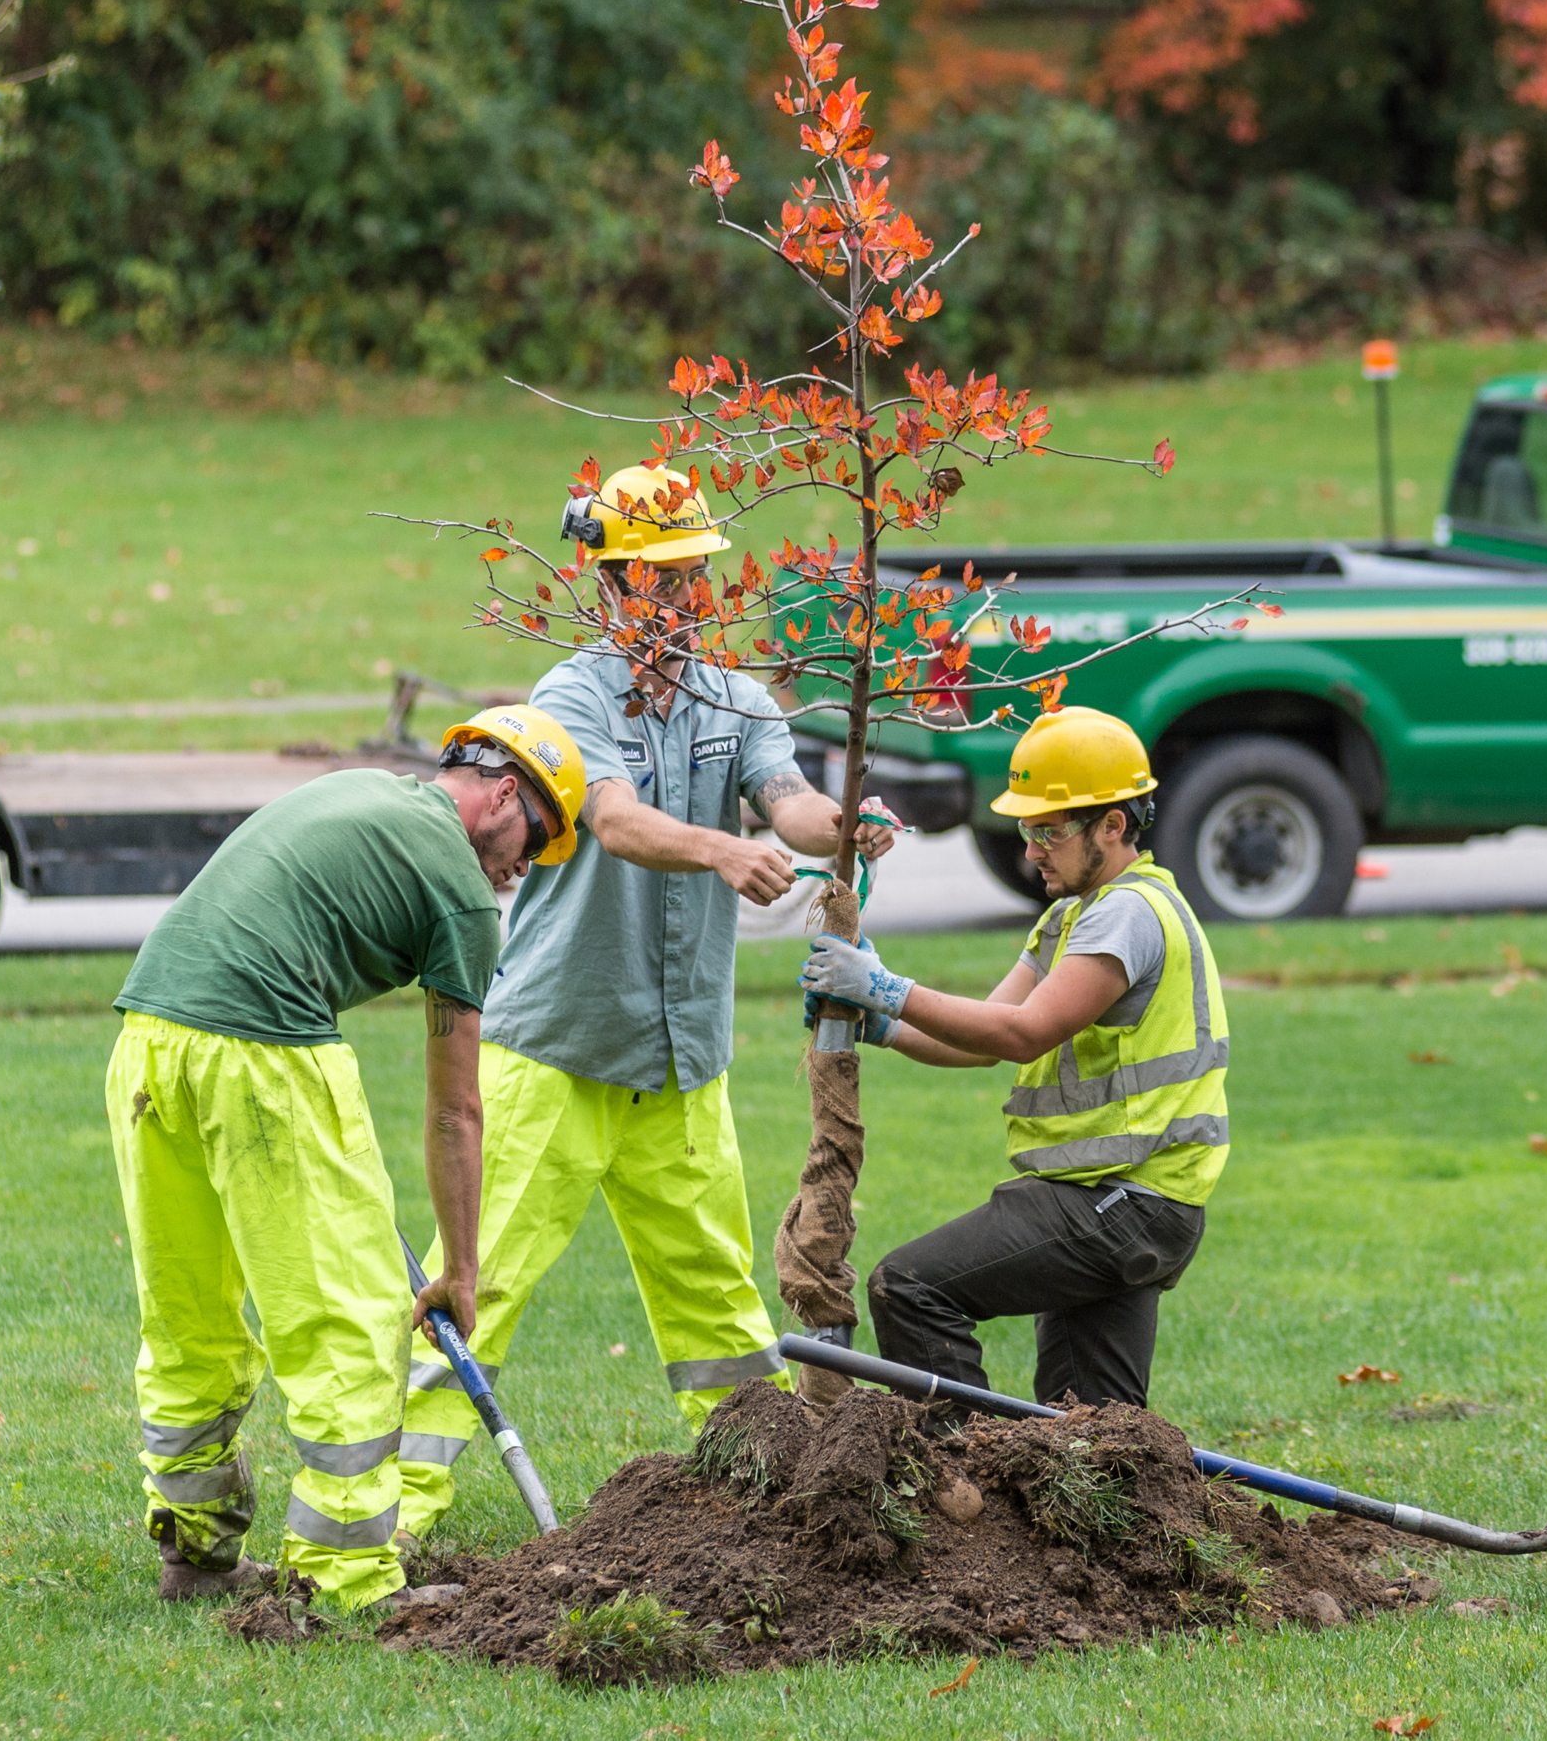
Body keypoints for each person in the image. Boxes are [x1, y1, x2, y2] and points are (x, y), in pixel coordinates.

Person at [397, 464, 895, 1537]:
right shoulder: (571, 697)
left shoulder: (735, 698)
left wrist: (846, 821)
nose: (679, 596)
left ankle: (759, 1499)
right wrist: (721, 851)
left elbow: (790, 802)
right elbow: (615, 818)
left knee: (714, 1299)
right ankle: (386, 1512)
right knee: (477, 1282)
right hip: (556, 1047)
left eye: (690, 575)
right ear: (611, 581)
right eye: (658, 577)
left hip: (680, 1063)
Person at [102, 705, 585, 1607]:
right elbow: (456, 1110)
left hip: (148, 1044)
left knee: (188, 1319)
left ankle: (196, 1553)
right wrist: (462, 1272)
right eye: (538, 838)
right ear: (503, 794)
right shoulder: (462, 894)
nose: (527, 867)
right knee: (352, 1322)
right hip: (263, 1056)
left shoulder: (363, 791)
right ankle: (350, 1576)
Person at [799, 705, 1226, 1411]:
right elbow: (982, 1038)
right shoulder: (1071, 916)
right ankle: (1092, 1484)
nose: (1031, 851)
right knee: (1089, 1422)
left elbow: (1022, 1034)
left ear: (1112, 825)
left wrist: (887, 987)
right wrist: (883, 1023)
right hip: (1127, 1200)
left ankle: (960, 1461)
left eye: (1049, 831)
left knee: (910, 1287)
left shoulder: (1128, 912)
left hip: (1120, 1202)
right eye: (1027, 831)